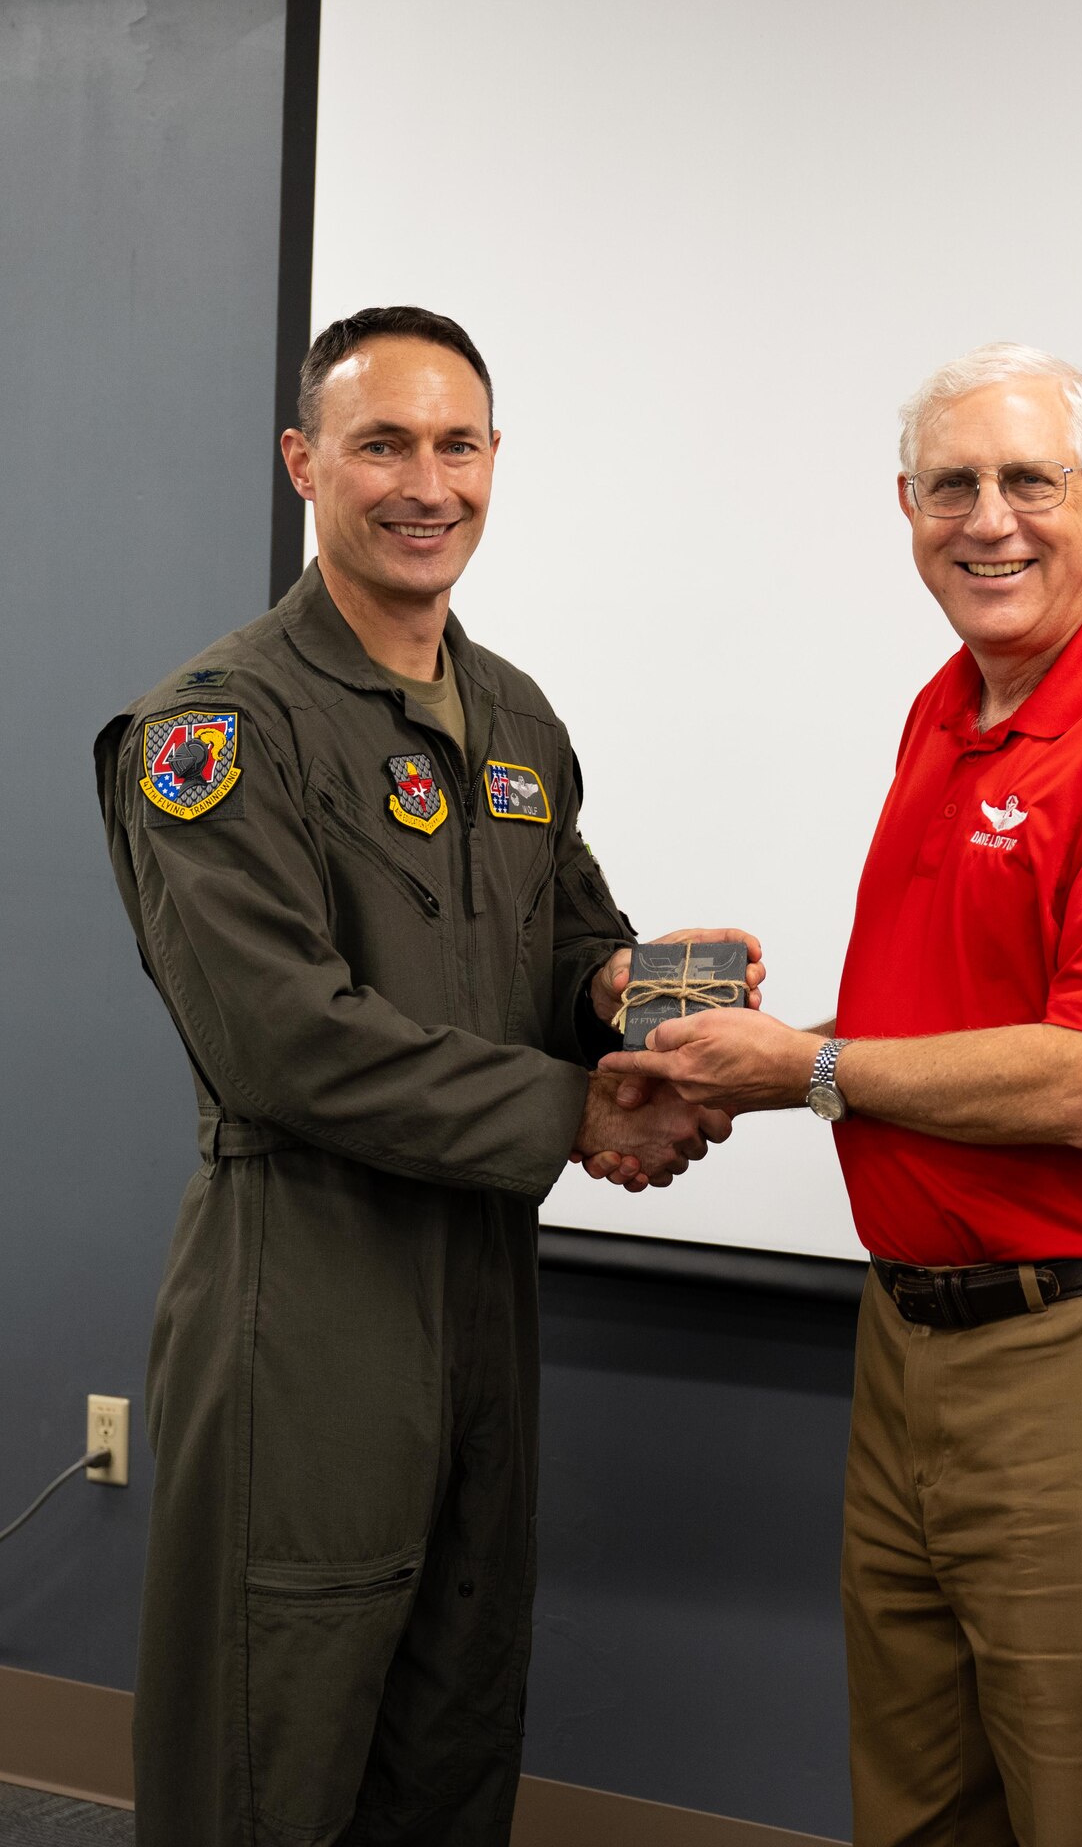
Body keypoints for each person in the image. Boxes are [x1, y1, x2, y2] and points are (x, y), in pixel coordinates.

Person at [596, 343, 1082, 1845]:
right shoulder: (951, 709)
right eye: (952, 486)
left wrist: (810, 1068)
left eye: (1030, 481)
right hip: (915, 1341)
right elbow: (946, 1036)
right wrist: (738, 1064)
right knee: (917, 1807)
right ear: (905, 508)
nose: (991, 520)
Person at [95, 306, 753, 1845]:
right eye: (381, 442)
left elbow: (567, 943)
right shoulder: (217, 728)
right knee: (273, 1746)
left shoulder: (513, 714)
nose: (424, 482)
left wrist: (641, 995)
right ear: (303, 463)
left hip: (480, 1291)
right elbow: (284, 1037)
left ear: (495, 462)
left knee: (452, 1727)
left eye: (457, 444)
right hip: (304, 1293)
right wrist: (577, 1111)